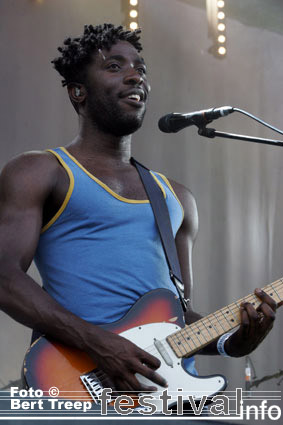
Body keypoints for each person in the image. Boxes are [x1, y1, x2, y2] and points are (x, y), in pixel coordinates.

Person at [0, 23, 279, 400]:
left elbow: (177, 322)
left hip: (171, 399)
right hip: (82, 386)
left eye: (141, 69)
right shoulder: (40, 171)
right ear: (77, 92)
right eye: (115, 66)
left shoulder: (177, 199)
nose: (135, 76)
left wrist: (236, 340)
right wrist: (98, 343)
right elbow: (4, 277)